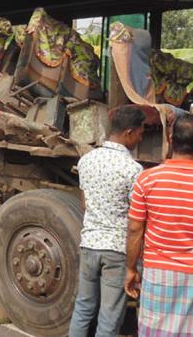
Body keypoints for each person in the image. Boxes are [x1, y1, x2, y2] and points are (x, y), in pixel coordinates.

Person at [124, 113, 193, 337]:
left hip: (156, 272)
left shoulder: (147, 179)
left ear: (170, 140)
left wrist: (131, 269)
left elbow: (135, 230)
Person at [69, 106, 146, 337]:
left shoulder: (86, 160)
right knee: (109, 316)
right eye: (141, 132)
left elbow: (85, 203)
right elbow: (136, 217)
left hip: (89, 243)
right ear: (129, 132)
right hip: (116, 249)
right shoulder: (133, 169)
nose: (141, 137)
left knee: (83, 306)